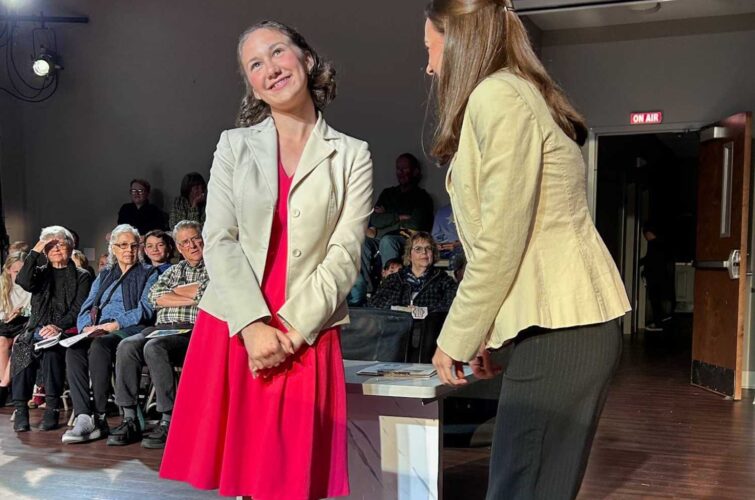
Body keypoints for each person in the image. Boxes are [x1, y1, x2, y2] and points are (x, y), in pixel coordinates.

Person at [423, 2, 631, 499]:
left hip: (565, 330)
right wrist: (490, 333)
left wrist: (457, 336)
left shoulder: (497, 96)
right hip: (562, 327)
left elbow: (502, 240)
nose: (428, 66)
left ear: (459, 41)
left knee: (521, 486)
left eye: (430, 48)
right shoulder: (516, 92)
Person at [159, 21, 372, 500]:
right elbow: (219, 238)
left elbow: (344, 255)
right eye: (255, 64)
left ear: (307, 59)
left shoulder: (352, 155)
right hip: (237, 323)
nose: (270, 68)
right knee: (244, 479)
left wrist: (292, 332)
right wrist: (254, 327)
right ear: (252, 86)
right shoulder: (233, 146)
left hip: (305, 329)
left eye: (277, 52)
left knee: (291, 481)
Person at [109, 220, 208, 448]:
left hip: (191, 330)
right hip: (161, 327)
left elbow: (209, 292)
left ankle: (169, 418)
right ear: (179, 247)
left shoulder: (216, 268)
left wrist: (175, 293)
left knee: (154, 347)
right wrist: (193, 296)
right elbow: (155, 297)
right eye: (185, 242)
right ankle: (130, 418)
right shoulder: (173, 270)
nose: (192, 245)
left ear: (204, 239)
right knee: (127, 346)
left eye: (196, 239)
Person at [62, 224, 158, 444]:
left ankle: (100, 416)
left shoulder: (149, 273)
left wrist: (114, 325)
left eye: (133, 245)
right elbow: (87, 306)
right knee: (74, 349)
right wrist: (86, 327)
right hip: (98, 329)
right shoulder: (105, 274)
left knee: (100, 346)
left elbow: (146, 309)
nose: (129, 250)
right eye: (123, 245)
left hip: (129, 328)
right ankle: (83, 416)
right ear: (113, 248)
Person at [10, 226, 92, 432]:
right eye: (51, 245)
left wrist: (57, 326)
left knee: (51, 351)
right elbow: (22, 280)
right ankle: (21, 409)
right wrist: (36, 249)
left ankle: (52, 407)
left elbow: (78, 309)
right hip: (36, 327)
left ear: (71, 248)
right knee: (22, 346)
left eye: (61, 244)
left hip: (65, 329)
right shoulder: (39, 273)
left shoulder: (82, 275)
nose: (56, 249)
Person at [369, 232, 457, 313]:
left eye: (428, 248)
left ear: (433, 254)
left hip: (430, 324)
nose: (424, 252)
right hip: (397, 323)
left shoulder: (445, 281)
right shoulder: (394, 279)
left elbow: (451, 306)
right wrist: (402, 310)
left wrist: (423, 311)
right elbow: (376, 304)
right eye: (418, 249)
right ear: (409, 255)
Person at [0, 252, 32, 405]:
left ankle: (4, 386)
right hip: (7, 322)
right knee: (2, 342)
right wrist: (7, 315)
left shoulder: (31, 284)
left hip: (26, 322)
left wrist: (22, 312)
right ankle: (5, 386)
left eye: (22, 271)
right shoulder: (2, 285)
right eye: (16, 272)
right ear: (8, 270)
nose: (19, 276)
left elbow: (35, 310)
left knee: (19, 342)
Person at [639, 222, 675, 331]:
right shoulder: (661, 243)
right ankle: (660, 320)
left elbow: (650, 260)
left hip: (654, 277)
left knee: (655, 300)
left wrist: (641, 266)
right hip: (660, 276)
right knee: (658, 300)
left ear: (649, 233)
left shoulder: (654, 244)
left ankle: (658, 323)